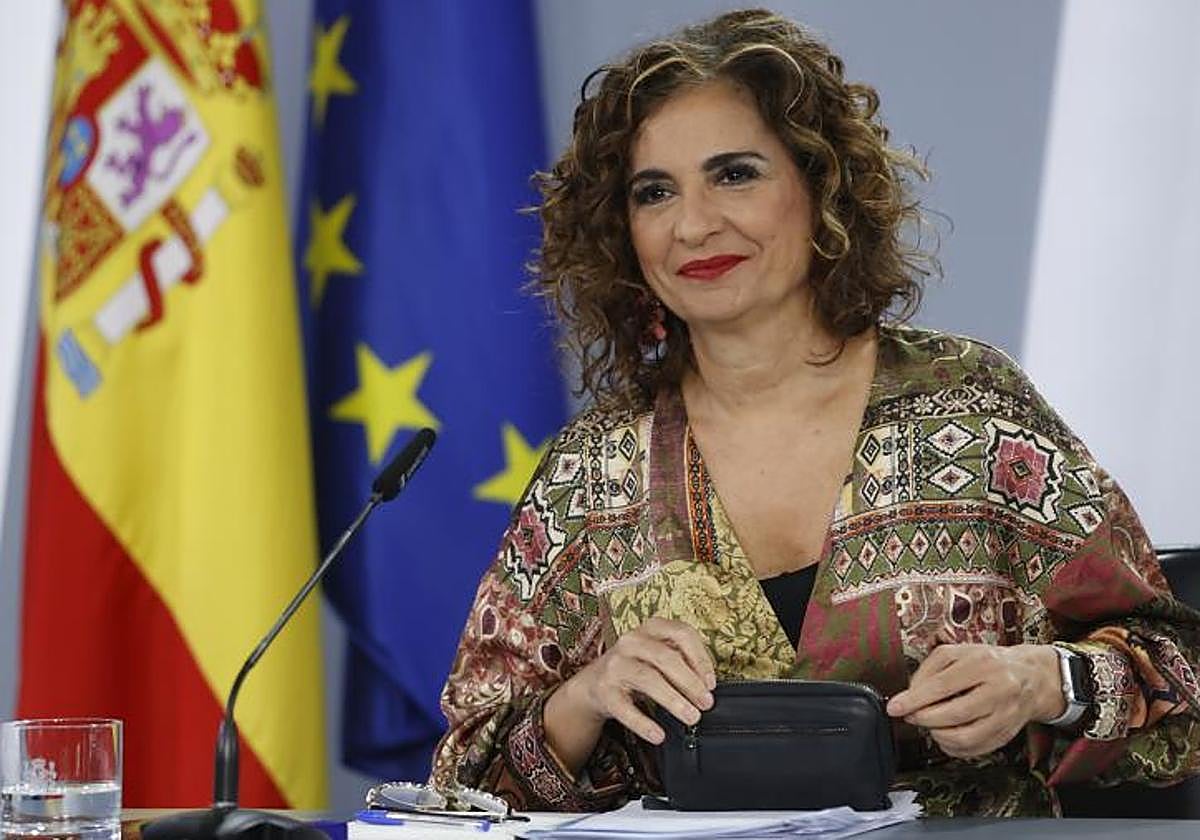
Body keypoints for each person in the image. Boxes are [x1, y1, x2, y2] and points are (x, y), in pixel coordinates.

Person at [430, 8, 1200, 817]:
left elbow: (1182, 664)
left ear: (819, 185)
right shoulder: (595, 471)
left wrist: (1046, 681)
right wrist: (584, 699)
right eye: (654, 192)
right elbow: (459, 783)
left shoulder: (972, 412)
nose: (693, 224)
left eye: (735, 174)